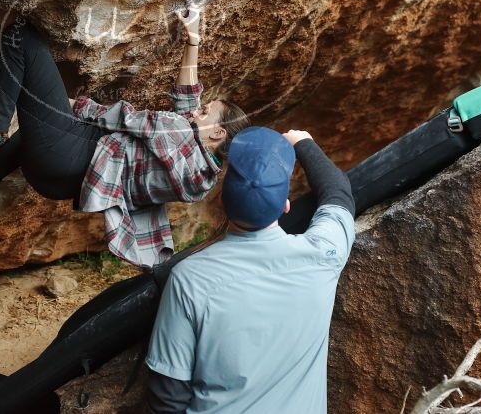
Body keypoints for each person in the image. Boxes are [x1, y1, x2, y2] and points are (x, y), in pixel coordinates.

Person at [0, 6, 250, 267]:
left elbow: (123, 118)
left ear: (218, 133)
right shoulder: (199, 174)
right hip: (60, 183)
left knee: (23, 37)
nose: (197, 112)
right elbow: (187, 101)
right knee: (49, 124)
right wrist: (192, 40)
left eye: (206, 112)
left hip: (65, 153)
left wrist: (68, 104)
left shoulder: (179, 133)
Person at [144, 126, 356, 413]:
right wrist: (303, 142)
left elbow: (168, 395)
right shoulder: (323, 255)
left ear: (220, 202)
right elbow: (339, 195)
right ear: (285, 206)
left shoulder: (189, 279)